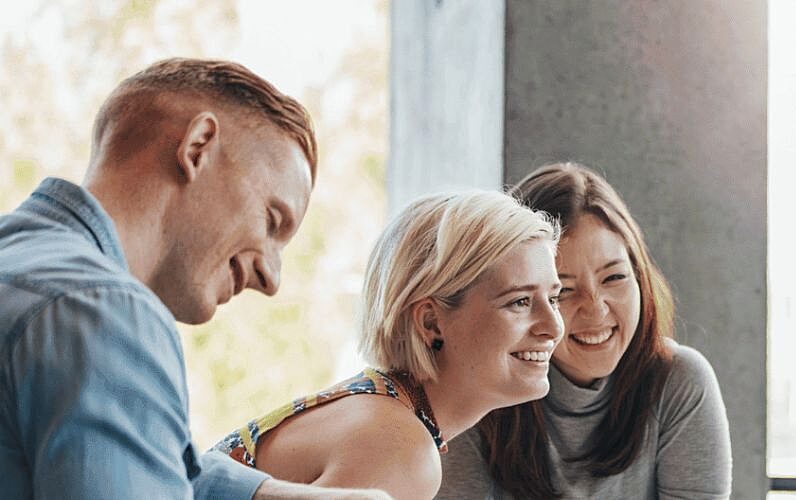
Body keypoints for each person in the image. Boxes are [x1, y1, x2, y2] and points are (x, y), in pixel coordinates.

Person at [0, 58, 382, 499]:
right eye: (272, 220)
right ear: (198, 146)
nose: (271, 279)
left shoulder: (27, 271)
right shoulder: (105, 312)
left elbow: (135, 464)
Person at [210, 190, 564, 499]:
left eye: (554, 298)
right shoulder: (400, 449)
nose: (554, 327)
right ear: (430, 322)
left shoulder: (382, 410)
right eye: (519, 302)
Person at [437, 162, 732, 499]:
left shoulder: (679, 380)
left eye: (614, 278)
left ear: (640, 278)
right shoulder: (476, 390)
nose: (595, 308)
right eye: (562, 290)